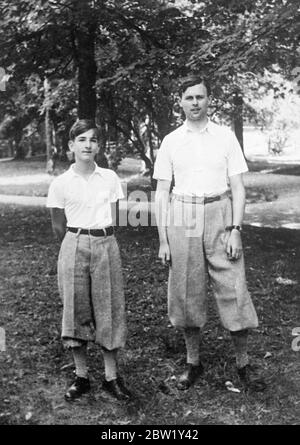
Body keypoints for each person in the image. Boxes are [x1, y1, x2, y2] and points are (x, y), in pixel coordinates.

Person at [153, 75, 266, 392]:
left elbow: (239, 187)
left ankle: (243, 365)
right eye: (189, 97)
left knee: (233, 286)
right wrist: (163, 238)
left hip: (220, 211)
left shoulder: (225, 137)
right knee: (187, 289)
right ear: (181, 102)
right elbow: (162, 192)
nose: (195, 103)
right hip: (184, 213)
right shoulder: (171, 141)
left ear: (209, 100)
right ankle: (193, 363)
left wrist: (236, 229)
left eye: (200, 97)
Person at [46, 119, 131, 402]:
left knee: (108, 307)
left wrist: (99, 238)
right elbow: (58, 226)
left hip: (106, 244)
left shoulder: (109, 178)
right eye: (81, 139)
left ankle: (111, 377)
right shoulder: (60, 183)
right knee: (75, 308)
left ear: (98, 145)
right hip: (74, 244)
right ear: (71, 145)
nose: (87, 145)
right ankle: (81, 376)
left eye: (93, 140)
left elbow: (115, 214)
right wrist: (78, 243)